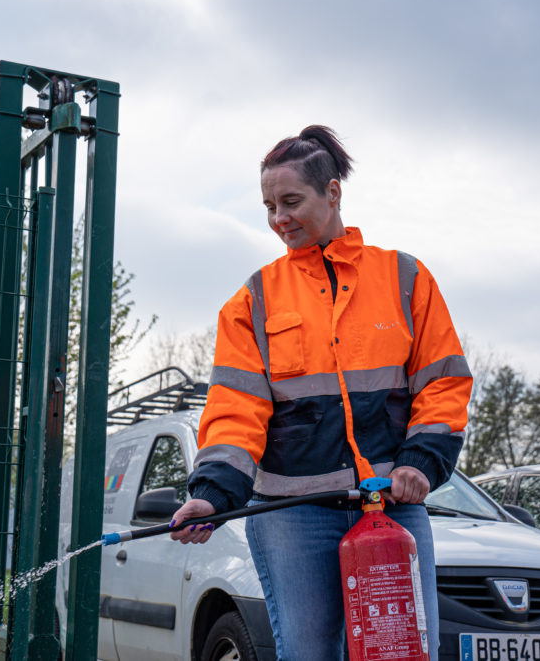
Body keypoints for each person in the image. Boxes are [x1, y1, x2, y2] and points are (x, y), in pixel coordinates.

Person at [171, 125, 472, 661]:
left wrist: (422, 462)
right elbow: (236, 410)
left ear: (332, 192)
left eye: (291, 201)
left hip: (389, 507)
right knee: (309, 653)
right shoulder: (253, 301)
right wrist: (213, 492)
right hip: (292, 514)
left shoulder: (404, 277)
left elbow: (443, 381)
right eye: (268, 206)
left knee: (401, 652)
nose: (279, 219)